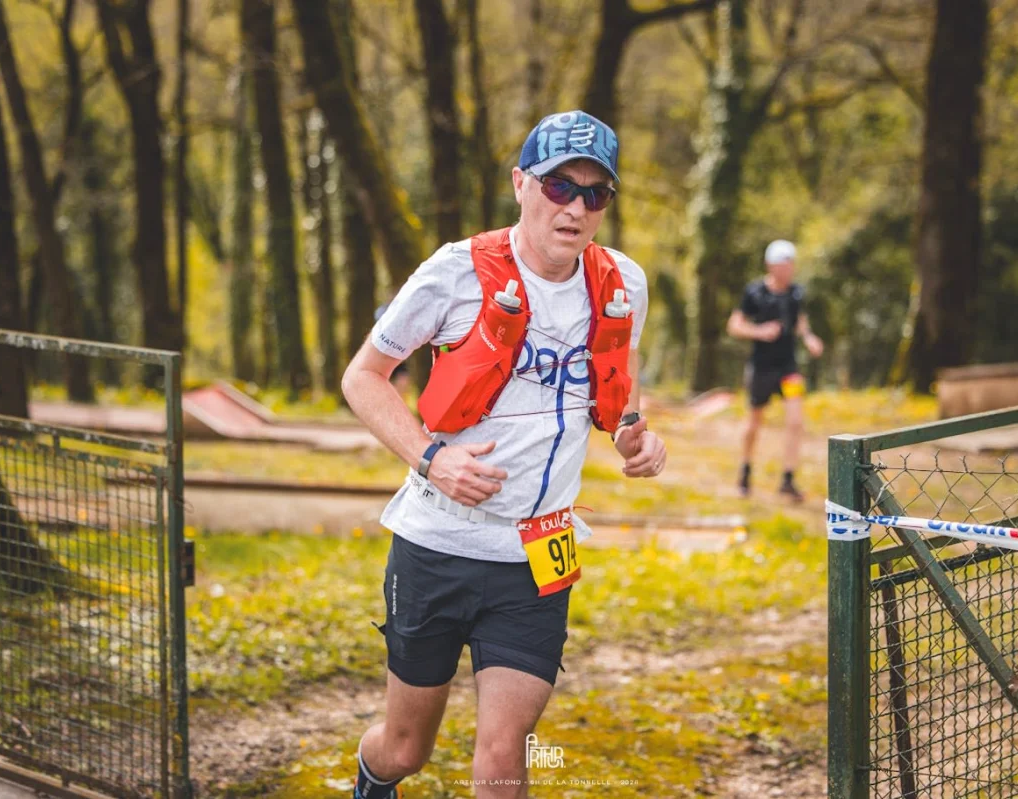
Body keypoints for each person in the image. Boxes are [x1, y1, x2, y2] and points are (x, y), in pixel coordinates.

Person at [341, 110, 665, 799]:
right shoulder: (455, 272)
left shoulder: (624, 284)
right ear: (521, 183)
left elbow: (620, 382)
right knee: (407, 748)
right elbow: (362, 377)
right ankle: (374, 778)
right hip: (436, 546)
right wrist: (432, 459)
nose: (575, 208)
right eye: (559, 186)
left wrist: (635, 431)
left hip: (539, 553)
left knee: (502, 754)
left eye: (595, 194)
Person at [725, 239, 823, 501]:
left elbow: (800, 322)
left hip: (788, 368)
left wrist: (809, 338)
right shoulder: (755, 293)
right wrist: (759, 331)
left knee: (796, 422)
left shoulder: (796, 293)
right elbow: (734, 325)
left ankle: (788, 480)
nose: (788, 269)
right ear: (771, 265)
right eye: (783, 264)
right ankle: (745, 472)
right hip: (762, 367)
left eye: (791, 264)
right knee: (754, 423)